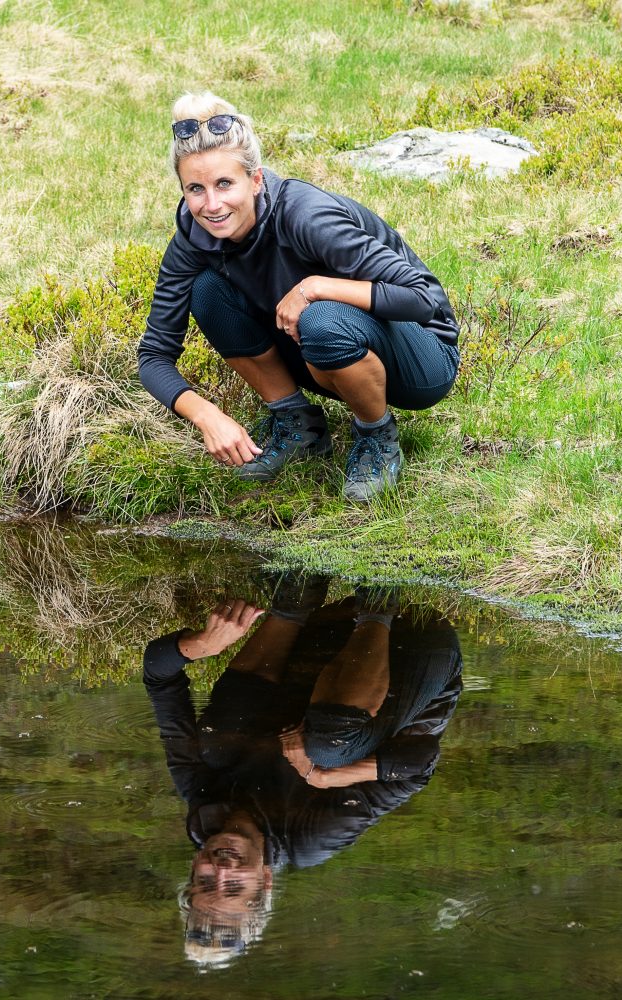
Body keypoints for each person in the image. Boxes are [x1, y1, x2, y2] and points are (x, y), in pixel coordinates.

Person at [137, 94, 461, 501]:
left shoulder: (305, 215)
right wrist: (206, 416)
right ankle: (298, 424)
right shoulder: (192, 240)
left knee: (321, 319)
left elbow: (421, 299)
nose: (212, 205)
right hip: (318, 350)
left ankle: (376, 435)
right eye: (195, 189)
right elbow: (153, 355)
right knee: (205, 290)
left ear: (255, 180)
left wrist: (314, 287)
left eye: (225, 184)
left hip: (421, 358)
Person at [142, 576, 463, 964]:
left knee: (218, 743)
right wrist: (320, 777)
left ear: (194, 867)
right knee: (326, 751)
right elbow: (420, 765)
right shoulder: (309, 840)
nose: (222, 870)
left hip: (324, 633)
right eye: (233, 888)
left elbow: (159, 677)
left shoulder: (200, 793)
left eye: (206, 880)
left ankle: (296, 595)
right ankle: (381, 588)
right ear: (264, 880)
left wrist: (202, 646)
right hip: (416, 651)